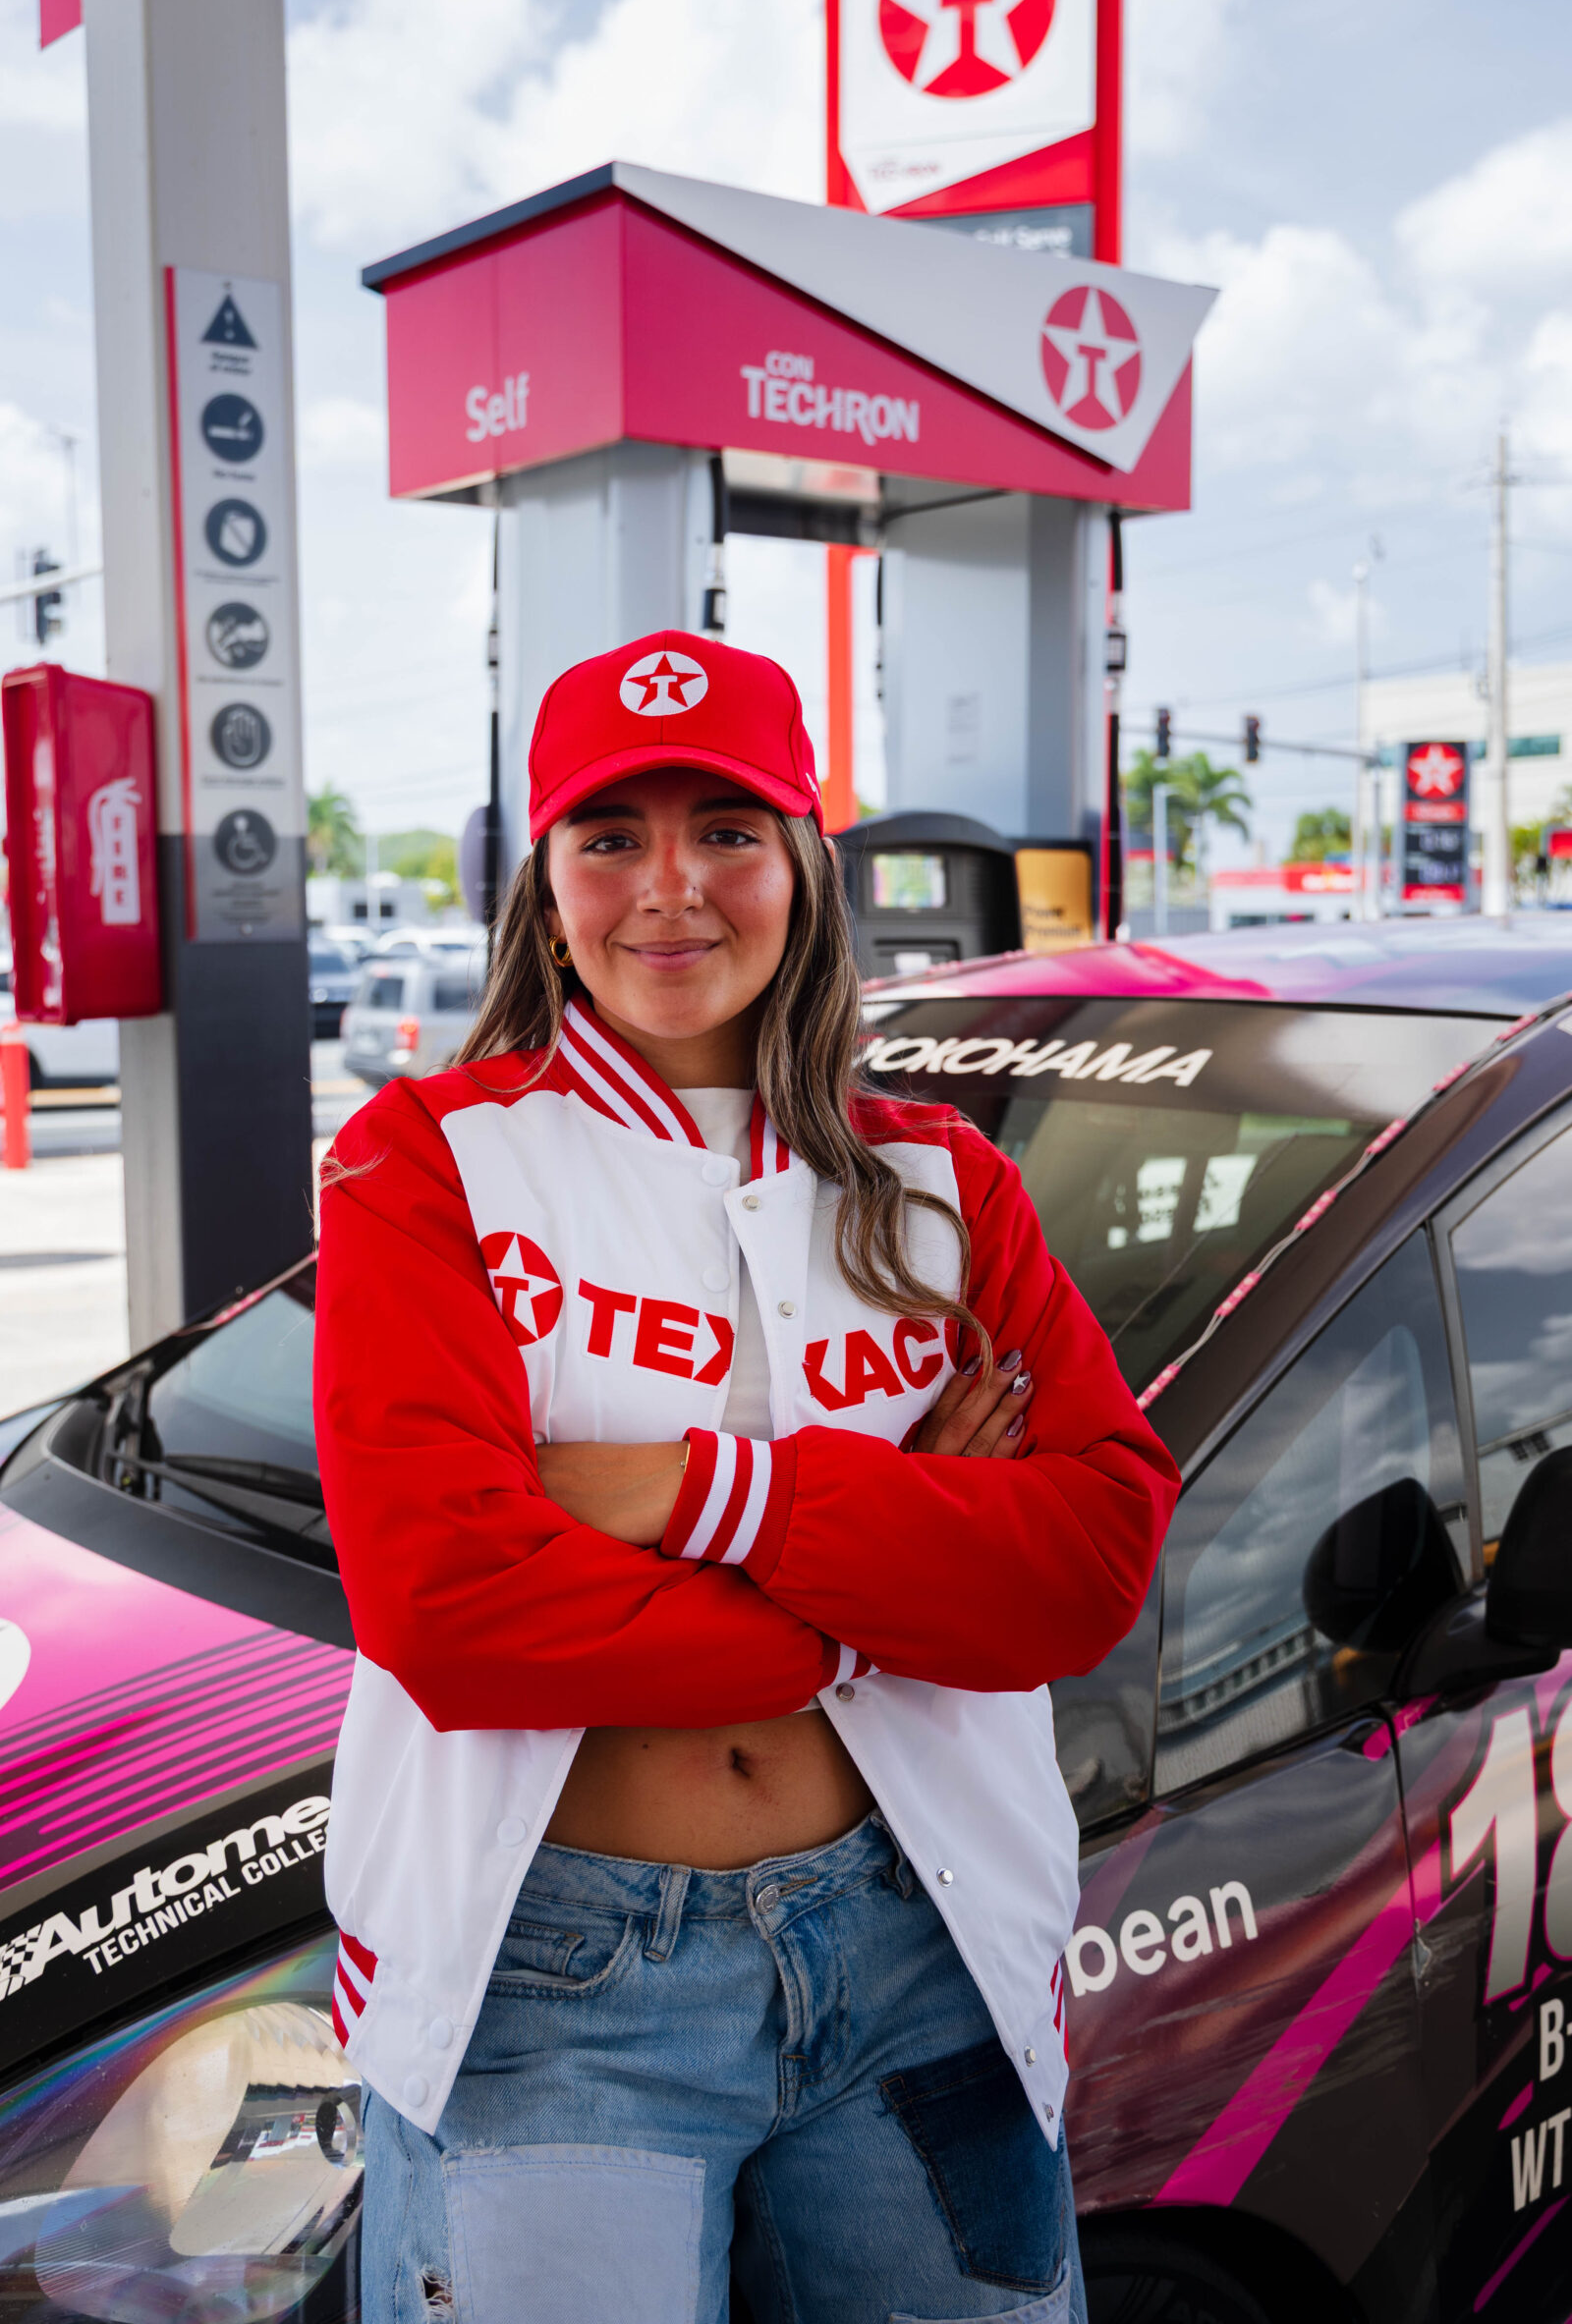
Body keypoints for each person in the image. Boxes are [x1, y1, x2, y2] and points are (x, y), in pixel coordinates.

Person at [314, 628, 1179, 2324]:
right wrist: (889, 1595)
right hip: (557, 1983)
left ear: (804, 874)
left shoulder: (945, 1185)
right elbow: (448, 1605)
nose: (670, 888)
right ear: (544, 890)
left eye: (726, 830)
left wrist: (700, 1492)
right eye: (609, 837)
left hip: (920, 1947)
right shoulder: (429, 1164)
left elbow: (1087, 1562)